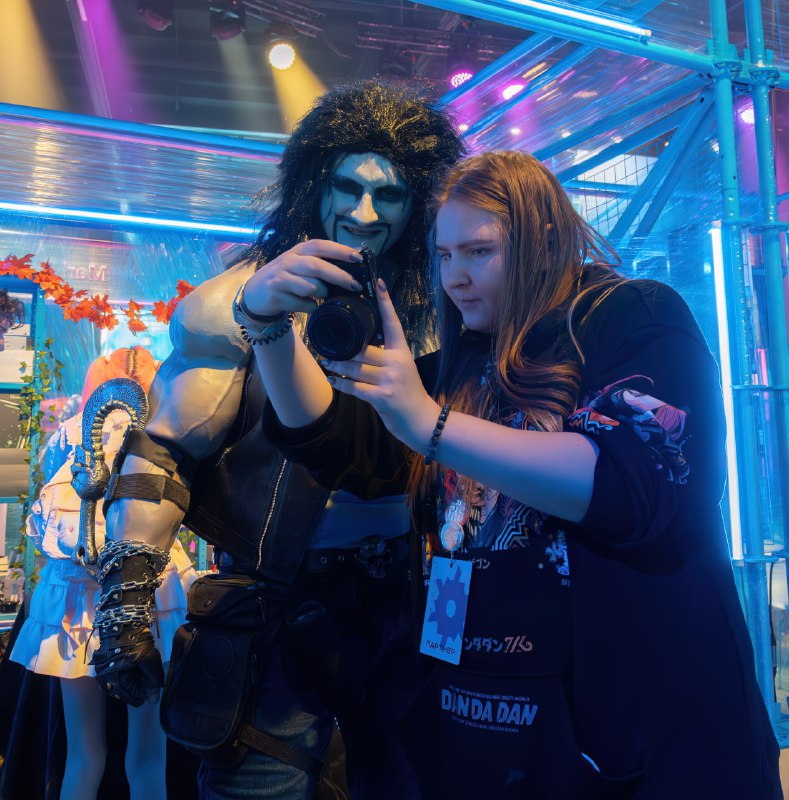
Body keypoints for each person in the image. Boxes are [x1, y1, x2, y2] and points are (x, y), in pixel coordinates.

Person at [250, 150, 782, 798]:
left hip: (635, 739)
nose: (455, 278)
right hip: (483, 729)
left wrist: (430, 425)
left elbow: (632, 482)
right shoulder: (464, 361)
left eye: (478, 252)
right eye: (444, 255)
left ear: (544, 240)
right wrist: (264, 324)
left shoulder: (630, 314)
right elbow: (335, 439)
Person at [93, 81, 465, 799]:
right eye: (348, 187)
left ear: (416, 200)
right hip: (274, 620)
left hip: (408, 617)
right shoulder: (241, 300)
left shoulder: (442, 302)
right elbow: (165, 447)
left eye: (388, 194)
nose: (364, 213)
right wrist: (126, 598)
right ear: (314, 184)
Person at [10, 346, 196, 800]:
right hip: (146, 590)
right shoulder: (161, 432)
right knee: (148, 754)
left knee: (84, 754)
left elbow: (45, 517)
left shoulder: (70, 433)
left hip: (75, 600)